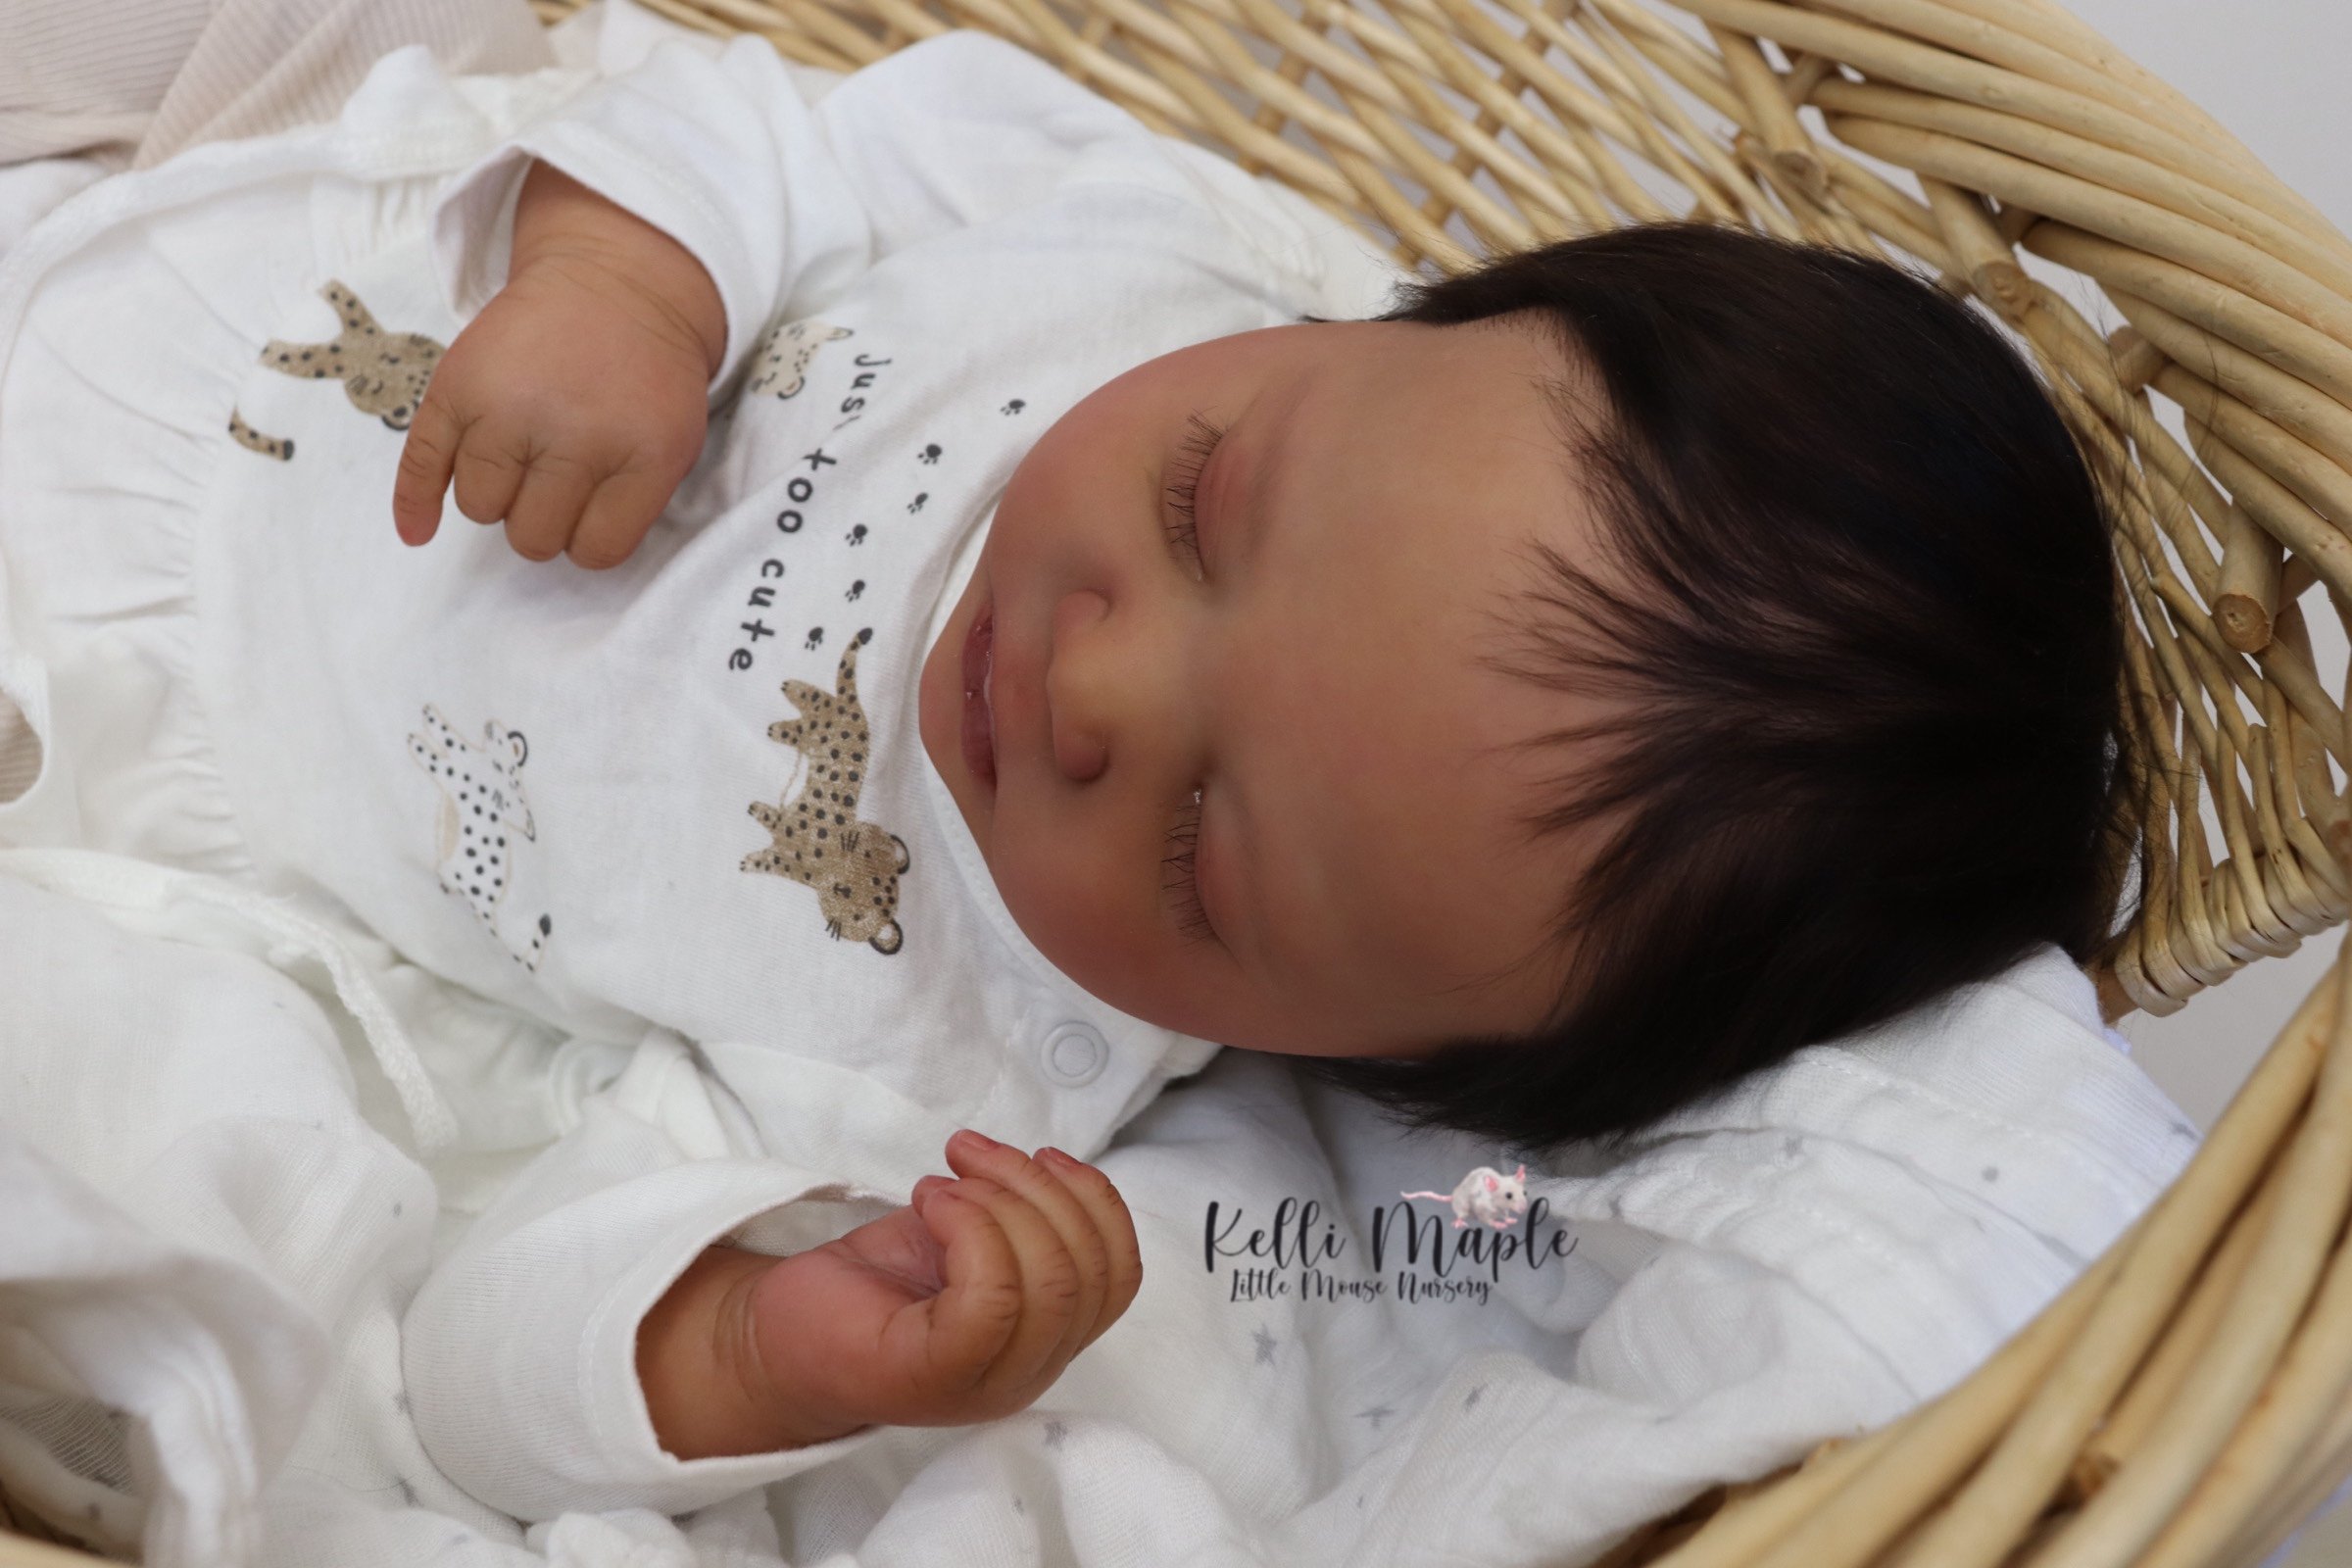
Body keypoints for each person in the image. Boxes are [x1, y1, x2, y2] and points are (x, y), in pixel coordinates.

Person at [0, 21, 2149, 1521]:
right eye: (1210, 506)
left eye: (1207, 852)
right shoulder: (1131, 251)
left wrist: (746, 1346)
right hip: (244, 223)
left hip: (119, 741)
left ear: (1366, 1054)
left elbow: (484, 1333)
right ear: (1385, 320)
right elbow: (754, 124)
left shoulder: (953, 1065)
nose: (1098, 684)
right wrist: (624, 282)